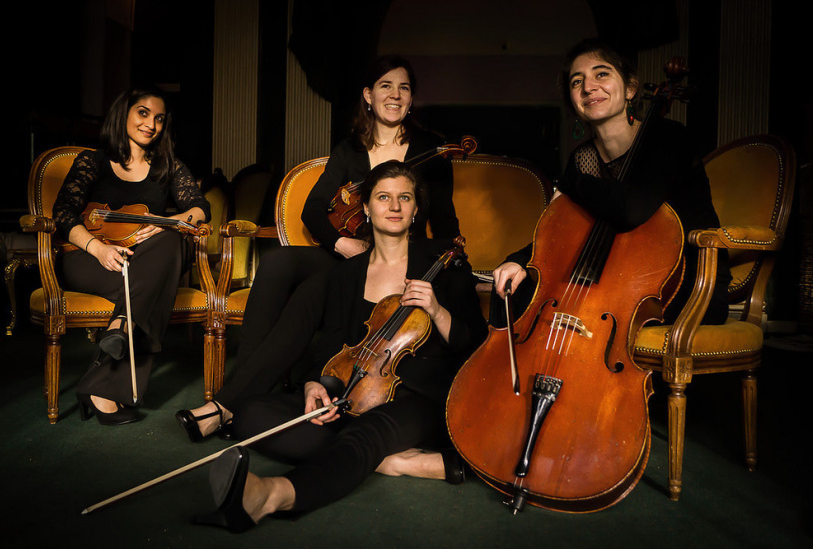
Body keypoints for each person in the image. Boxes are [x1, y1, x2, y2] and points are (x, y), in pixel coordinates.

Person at [176, 55, 460, 445]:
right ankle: (241, 398)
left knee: (312, 292)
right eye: (386, 86)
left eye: (404, 88)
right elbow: (313, 210)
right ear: (368, 95)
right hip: (349, 253)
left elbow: (443, 219)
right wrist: (343, 244)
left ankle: (227, 405)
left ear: (411, 100)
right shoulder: (350, 149)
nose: (395, 95)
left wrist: (454, 265)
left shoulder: (432, 150)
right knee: (277, 263)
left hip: (395, 257)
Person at [191, 161, 487, 533]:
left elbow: (475, 343)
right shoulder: (347, 272)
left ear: (415, 209)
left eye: (405, 198)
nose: (394, 206)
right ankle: (392, 461)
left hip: (417, 398)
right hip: (354, 393)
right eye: (383, 197)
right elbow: (331, 343)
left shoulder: (444, 264)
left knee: (367, 432)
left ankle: (274, 494)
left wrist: (437, 311)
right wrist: (314, 384)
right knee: (251, 414)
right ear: (366, 207)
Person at [492, 39, 730, 326]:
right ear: (573, 101)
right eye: (576, 81)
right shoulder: (583, 158)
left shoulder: (669, 138)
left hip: (686, 283)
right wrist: (518, 260)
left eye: (601, 74)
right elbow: (563, 233)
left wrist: (571, 183)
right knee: (513, 290)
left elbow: (631, 208)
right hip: (621, 277)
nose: (588, 87)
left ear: (630, 89)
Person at [53, 87, 211, 425]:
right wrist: (98, 249)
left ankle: (118, 334)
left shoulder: (168, 167)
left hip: (143, 262)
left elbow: (200, 208)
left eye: (159, 118)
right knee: (154, 288)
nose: (151, 124)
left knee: (172, 239)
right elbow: (63, 213)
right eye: (143, 113)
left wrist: (166, 222)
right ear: (124, 113)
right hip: (88, 257)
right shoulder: (93, 161)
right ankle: (105, 376)